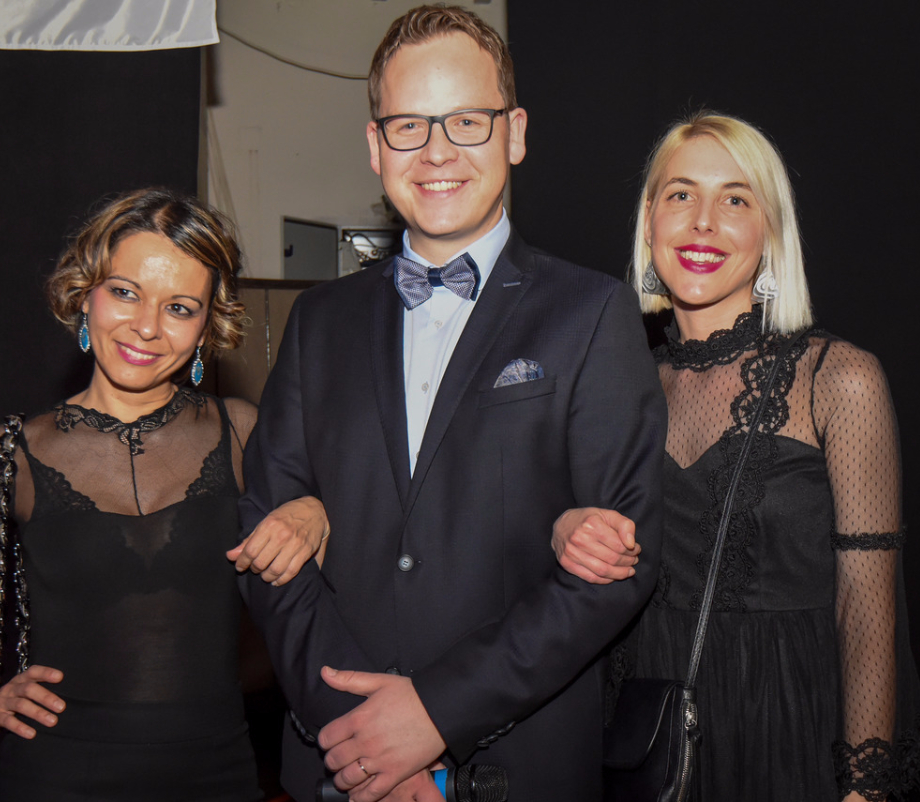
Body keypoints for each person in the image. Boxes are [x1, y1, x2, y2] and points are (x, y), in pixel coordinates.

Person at [236, 6, 667, 802]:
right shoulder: (316, 322)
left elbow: (617, 567)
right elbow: (268, 543)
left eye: (467, 120)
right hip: (337, 767)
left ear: (515, 134)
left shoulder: (592, 314)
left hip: (516, 768)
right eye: (409, 125)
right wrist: (362, 738)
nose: (437, 151)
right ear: (375, 147)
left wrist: (435, 713)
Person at [0, 188, 332, 802]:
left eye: (179, 307)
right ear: (86, 293)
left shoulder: (244, 433)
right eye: (126, 292)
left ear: (207, 324)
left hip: (218, 776)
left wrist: (315, 511)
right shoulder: (13, 454)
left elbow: (341, 573)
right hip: (51, 778)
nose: (147, 326)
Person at [552, 112, 920, 801]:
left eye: (735, 199)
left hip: (788, 732)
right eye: (681, 194)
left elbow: (867, 608)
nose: (703, 221)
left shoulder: (838, 380)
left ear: (770, 233)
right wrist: (564, 528)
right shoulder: (623, 386)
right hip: (648, 740)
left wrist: (865, 791)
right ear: (649, 222)